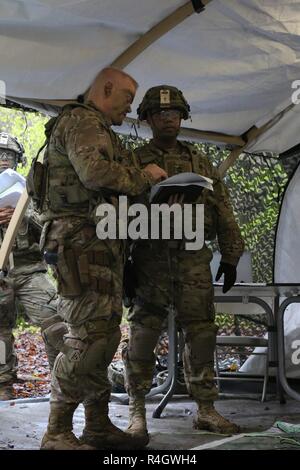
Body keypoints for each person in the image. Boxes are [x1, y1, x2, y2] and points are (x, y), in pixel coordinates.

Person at [38, 67, 167, 450]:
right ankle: (57, 431)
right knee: (89, 337)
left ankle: (96, 425)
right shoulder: (82, 120)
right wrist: (144, 176)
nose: (130, 107)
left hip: (98, 245)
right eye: (127, 98)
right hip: (80, 245)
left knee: (105, 335)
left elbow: (108, 179)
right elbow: (95, 173)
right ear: (106, 89)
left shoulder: (98, 127)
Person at [122, 85, 245, 444]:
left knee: (202, 333)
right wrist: (122, 264)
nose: (169, 119)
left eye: (175, 113)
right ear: (146, 119)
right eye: (161, 114)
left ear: (183, 118)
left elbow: (223, 209)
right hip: (150, 259)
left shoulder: (199, 161)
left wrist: (232, 254)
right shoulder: (133, 162)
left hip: (193, 258)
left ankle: (205, 409)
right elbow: (117, 209)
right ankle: (136, 411)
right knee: (143, 334)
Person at [0, 132, 59, 400]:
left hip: (29, 271)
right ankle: (3, 387)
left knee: (56, 321)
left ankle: (63, 381)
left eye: (8, 155)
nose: (3, 160)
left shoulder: (30, 190)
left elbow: (48, 227)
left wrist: (22, 215)